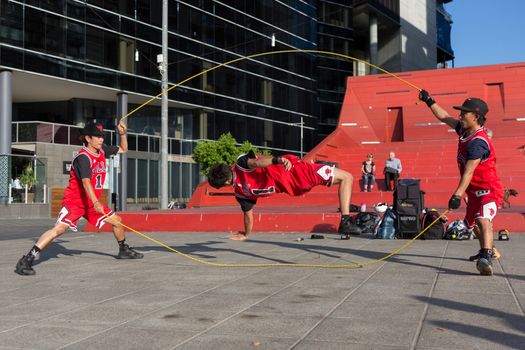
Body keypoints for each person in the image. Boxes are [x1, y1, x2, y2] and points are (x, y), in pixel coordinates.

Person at [14, 122, 143, 276]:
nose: (101, 139)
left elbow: (123, 149)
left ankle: (123, 250)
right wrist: (96, 202)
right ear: (88, 138)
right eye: (98, 137)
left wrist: (122, 134)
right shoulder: (83, 158)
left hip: (90, 202)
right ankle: (27, 259)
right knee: (59, 229)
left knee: (117, 221)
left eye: (102, 136)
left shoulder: (102, 151)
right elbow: (86, 182)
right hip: (75, 202)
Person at [419, 90, 503, 276]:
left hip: (488, 189)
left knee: (483, 219)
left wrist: (457, 195)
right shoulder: (464, 130)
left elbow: (469, 171)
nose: (460, 115)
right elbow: (444, 116)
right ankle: (490, 249)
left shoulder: (478, 142)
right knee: (474, 225)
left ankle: (486, 256)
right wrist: (429, 100)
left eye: (464, 113)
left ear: (476, 117)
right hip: (473, 192)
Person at [207, 151, 361, 240]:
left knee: (338, 178)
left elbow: (248, 216)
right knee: (347, 177)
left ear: (226, 183)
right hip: (297, 173)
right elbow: (255, 163)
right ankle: (345, 220)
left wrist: (246, 234)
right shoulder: (240, 165)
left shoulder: (241, 194)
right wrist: (277, 160)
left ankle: (345, 216)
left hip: (295, 188)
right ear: (228, 172)